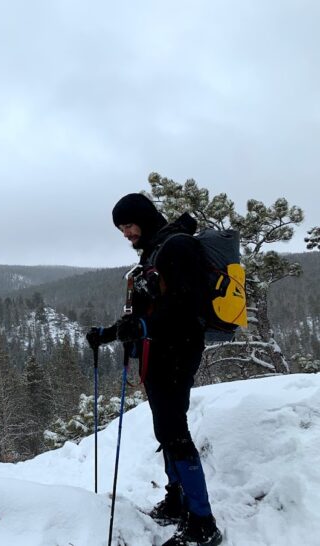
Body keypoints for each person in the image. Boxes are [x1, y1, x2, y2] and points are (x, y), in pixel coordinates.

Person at [86, 193, 222, 546]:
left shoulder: (177, 248)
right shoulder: (154, 251)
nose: (126, 234)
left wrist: (145, 330)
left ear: (143, 219)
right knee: (166, 429)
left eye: (128, 226)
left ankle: (203, 523)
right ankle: (178, 501)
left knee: (175, 432)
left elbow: (187, 308)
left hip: (177, 352)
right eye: (121, 229)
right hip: (158, 354)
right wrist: (111, 333)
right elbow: (144, 312)